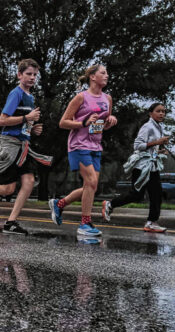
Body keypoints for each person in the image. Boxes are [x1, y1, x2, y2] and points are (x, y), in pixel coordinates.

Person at [0, 58, 49, 235]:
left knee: (28, 182)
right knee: (8, 188)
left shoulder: (30, 97)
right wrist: (27, 118)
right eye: (28, 74)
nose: (32, 77)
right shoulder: (16, 93)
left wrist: (32, 129)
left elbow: (22, 123)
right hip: (11, 145)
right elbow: (3, 120)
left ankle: (11, 222)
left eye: (35, 75)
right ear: (19, 75)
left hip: (23, 145)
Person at [49, 64, 118, 237]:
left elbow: (102, 125)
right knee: (92, 182)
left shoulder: (107, 99)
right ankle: (85, 223)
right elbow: (63, 122)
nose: (107, 76)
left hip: (96, 146)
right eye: (103, 73)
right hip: (78, 145)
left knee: (91, 186)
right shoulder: (81, 97)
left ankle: (59, 204)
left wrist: (110, 121)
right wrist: (83, 123)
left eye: (107, 73)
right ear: (92, 77)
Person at [102, 103, 169, 232]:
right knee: (136, 195)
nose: (162, 114)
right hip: (141, 167)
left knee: (156, 194)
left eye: (163, 111)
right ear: (151, 113)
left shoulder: (159, 127)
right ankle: (110, 204)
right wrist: (157, 142)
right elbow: (137, 146)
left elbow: (150, 149)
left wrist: (159, 151)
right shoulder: (148, 127)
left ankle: (151, 223)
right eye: (158, 111)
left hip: (152, 166)